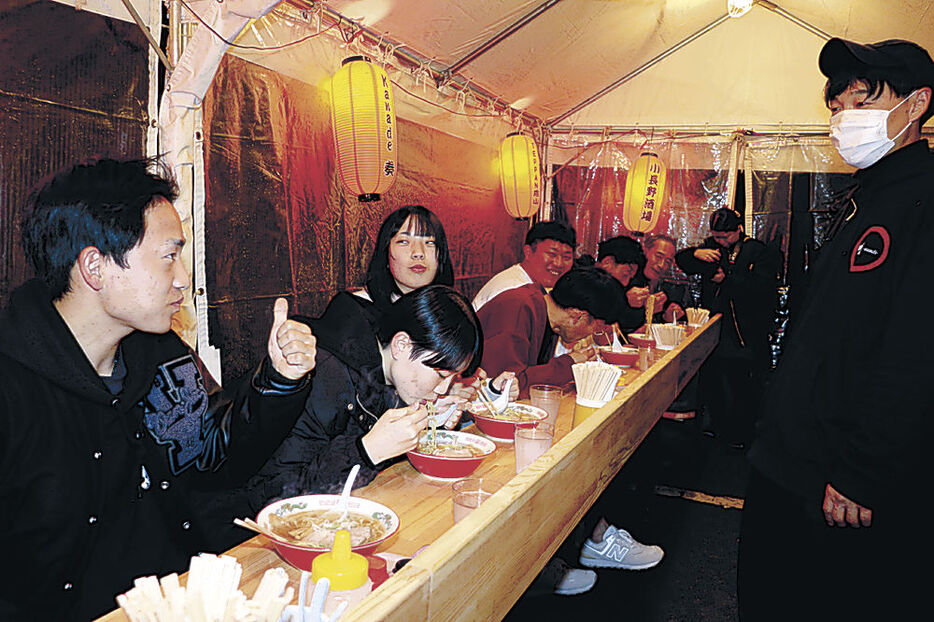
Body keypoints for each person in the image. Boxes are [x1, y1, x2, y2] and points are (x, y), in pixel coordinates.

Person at [0, 158, 317, 620]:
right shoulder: (13, 387)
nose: (183, 277)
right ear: (96, 266)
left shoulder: (162, 354)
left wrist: (279, 381)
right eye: (169, 255)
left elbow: (211, 460)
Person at [738, 37, 934, 620]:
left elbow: (915, 352)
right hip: (795, 455)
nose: (844, 118)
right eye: (837, 105)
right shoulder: (866, 198)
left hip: (839, 478)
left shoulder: (920, 200)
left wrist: (864, 471)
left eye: (862, 102)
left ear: (917, 104)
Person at [241, 284, 487, 509]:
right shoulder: (322, 376)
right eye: (441, 374)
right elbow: (274, 494)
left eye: (453, 378)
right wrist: (366, 450)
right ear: (402, 345)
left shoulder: (386, 371)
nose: (444, 389)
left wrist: (432, 420)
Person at [675, 208, 780, 448]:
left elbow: (763, 288)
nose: (720, 241)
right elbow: (683, 262)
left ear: (738, 230)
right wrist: (696, 253)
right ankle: (716, 430)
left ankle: (743, 436)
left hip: (746, 332)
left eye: (725, 237)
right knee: (713, 383)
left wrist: (728, 279)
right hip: (715, 330)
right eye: (716, 236)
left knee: (743, 387)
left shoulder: (757, 251)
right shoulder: (711, 248)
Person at [477, 266, 626, 397]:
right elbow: (506, 387)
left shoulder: (551, 317)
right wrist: (569, 365)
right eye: (598, 327)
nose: (593, 333)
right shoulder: (517, 307)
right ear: (577, 315)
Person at [355, 205, 455, 317]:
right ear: (385, 251)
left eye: (429, 242)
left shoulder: (452, 311)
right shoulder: (356, 310)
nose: (418, 253)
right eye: (404, 241)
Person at [472, 220, 576, 310]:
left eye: (566, 257)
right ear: (528, 252)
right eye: (551, 254)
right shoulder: (513, 290)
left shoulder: (537, 287)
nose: (558, 263)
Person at [619, 234, 686, 332]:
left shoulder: (664, 288)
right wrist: (629, 304)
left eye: (668, 262)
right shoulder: (627, 279)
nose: (661, 265)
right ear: (645, 251)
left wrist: (667, 318)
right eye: (658, 257)